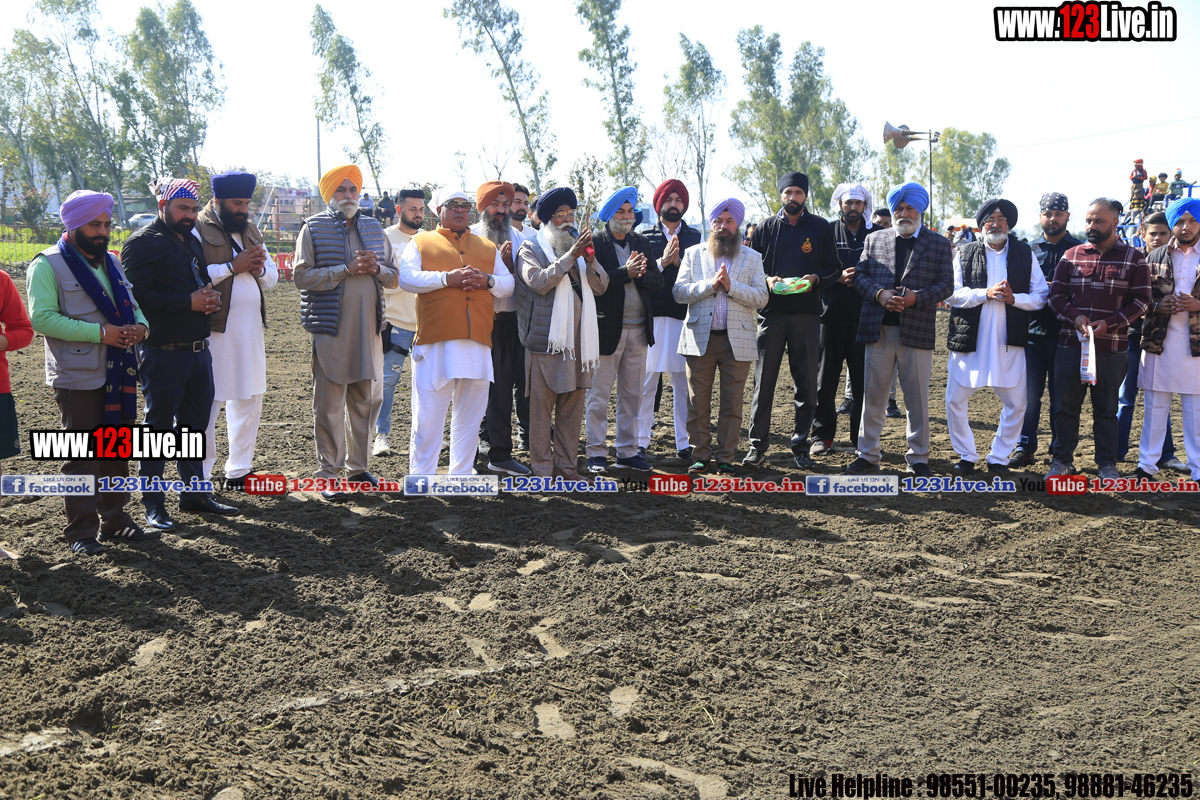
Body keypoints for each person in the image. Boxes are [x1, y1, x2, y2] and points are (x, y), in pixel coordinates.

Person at [27, 191, 148, 554]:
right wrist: (100, 333)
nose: (103, 231)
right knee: (81, 455)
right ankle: (80, 532)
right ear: (74, 224)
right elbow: (41, 318)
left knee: (116, 451)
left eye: (107, 224)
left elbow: (134, 306)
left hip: (119, 370)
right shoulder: (46, 264)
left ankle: (115, 520)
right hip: (76, 375)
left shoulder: (113, 262)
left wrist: (141, 328)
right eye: (95, 224)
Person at [294, 164, 399, 500]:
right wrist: (345, 270)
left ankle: (358, 468)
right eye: (341, 190)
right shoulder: (312, 228)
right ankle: (328, 474)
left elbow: (394, 276)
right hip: (331, 331)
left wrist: (376, 268)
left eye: (353, 189)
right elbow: (301, 276)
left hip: (370, 331)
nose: (348, 196)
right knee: (328, 405)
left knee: (367, 401)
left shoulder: (374, 227)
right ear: (329, 194)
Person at [399, 187, 513, 477]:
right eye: (453, 205)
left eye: (465, 205)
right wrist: (445, 279)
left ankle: (461, 475)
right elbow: (406, 278)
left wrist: (488, 281)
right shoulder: (420, 242)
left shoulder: (486, 246)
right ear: (439, 210)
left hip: (478, 344)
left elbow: (508, 285)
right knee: (428, 418)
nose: (461, 210)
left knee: (470, 419)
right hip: (436, 344)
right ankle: (421, 477)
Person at [846, 182, 954, 477]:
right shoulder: (875, 239)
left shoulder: (938, 243)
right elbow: (860, 277)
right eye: (899, 208)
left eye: (910, 208)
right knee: (873, 397)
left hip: (916, 330)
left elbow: (946, 285)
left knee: (916, 400)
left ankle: (918, 457)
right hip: (878, 329)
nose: (904, 213)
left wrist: (916, 298)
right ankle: (868, 454)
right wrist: (880, 294)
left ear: (920, 211)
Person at [1045, 198, 1152, 480]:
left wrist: (1110, 324)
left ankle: (1107, 465)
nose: (1092, 226)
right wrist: (1075, 318)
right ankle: (1062, 461)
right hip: (1070, 346)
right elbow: (1055, 297)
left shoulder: (1134, 258)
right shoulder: (1071, 255)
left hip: (1112, 350)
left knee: (1106, 411)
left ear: (1115, 223)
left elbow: (1142, 301)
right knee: (1065, 408)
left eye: (1099, 221)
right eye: (1089, 220)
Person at [744, 171, 841, 469]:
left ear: (805, 195)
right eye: (788, 192)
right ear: (781, 195)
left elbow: (834, 268)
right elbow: (750, 268)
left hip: (807, 316)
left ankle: (800, 447)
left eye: (798, 192)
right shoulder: (764, 228)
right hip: (771, 316)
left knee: (806, 386)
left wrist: (815, 278)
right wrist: (767, 280)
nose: (793, 198)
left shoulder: (820, 227)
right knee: (763, 384)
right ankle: (757, 446)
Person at [945, 199, 1049, 476]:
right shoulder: (965, 252)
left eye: (1001, 219)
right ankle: (967, 455)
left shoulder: (1024, 253)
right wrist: (985, 294)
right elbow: (951, 293)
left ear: (1009, 224)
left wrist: (1015, 299)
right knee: (955, 400)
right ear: (981, 225)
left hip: (1008, 340)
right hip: (970, 339)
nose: (995, 224)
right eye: (990, 219)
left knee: (1017, 403)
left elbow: (1041, 296)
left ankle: (999, 458)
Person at [515, 187, 609, 480]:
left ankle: (567, 469)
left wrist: (589, 259)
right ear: (547, 220)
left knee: (571, 410)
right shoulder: (530, 248)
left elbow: (602, 286)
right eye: (561, 215)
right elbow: (539, 282)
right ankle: (543, 470)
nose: (568, 220)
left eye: (571, 214)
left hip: (579, 344)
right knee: (541, 412)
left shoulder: (579, 253)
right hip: (546, 343)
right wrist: (571, 255)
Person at [194, 171, 278, 491]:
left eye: (246, 203)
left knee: (249, 397)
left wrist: (257, 268)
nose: (242, 209)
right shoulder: (197, 227)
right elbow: (190, 276)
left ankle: (239, 470)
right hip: (214, 331)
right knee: (207, 402)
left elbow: (272, 279)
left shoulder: (251, 229)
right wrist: (232, 267)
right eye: (236, 203)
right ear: (218, 201)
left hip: (250, 329)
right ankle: (200, 476)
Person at [674, 198, 769, 474]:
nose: (723, 226)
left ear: (737, 224)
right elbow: (679, 292)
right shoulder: (693, 254)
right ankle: (700, 455)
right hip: (699, 339)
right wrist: (710, 285)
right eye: (718, 220)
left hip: (736, 341)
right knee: (697, 401)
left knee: (732, 403)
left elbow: (762, 298)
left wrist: (731, 286)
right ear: (711, 223)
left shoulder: (753, 257)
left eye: (729, 221)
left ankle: (726, 457)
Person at [585, 186, 660, 474]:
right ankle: (596, 452)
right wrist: (624, 273)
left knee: (632, 396)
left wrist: (639, 275)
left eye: (630, 211)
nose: (627, 216)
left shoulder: (641, 242)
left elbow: (657, 282)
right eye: (621, 212)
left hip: (639, 330)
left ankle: (627, 452)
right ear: (609, 216)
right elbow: (594, 284)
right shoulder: (595, 242)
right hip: (606, 331)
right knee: (599, 395)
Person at [1010, 193, 1082, 469]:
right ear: (1040, 216)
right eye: (1048, 214)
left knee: (1061, 398)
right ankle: (1024, 447)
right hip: (1032, 334)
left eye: (1058, 214)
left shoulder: (1079, 250)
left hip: (1067, 335)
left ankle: (1058, 452)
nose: (1053, 219)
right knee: (1028, 396)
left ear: (1067, 216)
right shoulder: (1026, 250)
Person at [1135, 198, 1200, 482]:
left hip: (1195, 346)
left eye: (1193, 220)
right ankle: (1146, 466)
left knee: (1195, 412)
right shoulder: (1154, 256)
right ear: (1172, 224)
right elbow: (1136, 298)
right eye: (1180, 221)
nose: (1186, 227)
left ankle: (1198, 469)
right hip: (1158, 341)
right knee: (1155, 407)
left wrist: (1198, 305)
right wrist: (1156, 306)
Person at [637, 179, 701, 464]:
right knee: (646, 383)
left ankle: (684, 443)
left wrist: (679, 263)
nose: (674, 204)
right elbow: (641, 274)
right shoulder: (644, 235)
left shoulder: (695, 236)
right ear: (659, 204)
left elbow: (699, 273)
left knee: (682, 384)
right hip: (651, 317)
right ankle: (640, 441)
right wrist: (663, 262)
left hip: (683, 317)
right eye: (669, 199)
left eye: (678, 200)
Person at [471, 180, 531, 477]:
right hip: (475, 325)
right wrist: (496, 271)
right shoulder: (470, 237)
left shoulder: (518, 237)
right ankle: (466, 458)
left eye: (505, 204)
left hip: (508, 325)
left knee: (503, 393)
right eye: (494, 204)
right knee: (470, 392)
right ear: (482, 207)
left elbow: (528, 282)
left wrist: (508, 271)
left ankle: (500, 455)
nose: (501, 210)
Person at [810, 183, 874, 457]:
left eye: (858, 203)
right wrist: (836, 277)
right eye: (848, 203)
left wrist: (861, 278)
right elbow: (814, 267)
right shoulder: (826, 231)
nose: (853, 207)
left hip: (865, 319)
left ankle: (861, 440)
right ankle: (821, 437)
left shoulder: (875, 234)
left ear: (864, 206)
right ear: (840, 204)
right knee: (824, 383)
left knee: (863, 385)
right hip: (830, 318)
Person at [1116, 212, 1183, 469]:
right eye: (1152, 233)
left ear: (1171, 234)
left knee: (1160, 397)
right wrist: (1155, 306)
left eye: (1163, 233)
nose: (1157, 238)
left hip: (1163, 338)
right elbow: (1123, 300)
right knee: (1126, 398)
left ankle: (1165, 455)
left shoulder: (1180, 261)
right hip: (1132, 336)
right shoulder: (1132, 260)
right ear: (1141, 234)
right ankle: (1116, 453)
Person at [374, 188, 425, 456]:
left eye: (421, 209)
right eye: (412, 209)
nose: (418, 214)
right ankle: (381, 435)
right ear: (399, 210)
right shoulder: (384, 238)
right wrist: (407, 281)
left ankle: (425, 437)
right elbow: (379, 281)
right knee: (387, 382)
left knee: (427, 385)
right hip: (396, 323)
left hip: (427, 325)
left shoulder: (428, 239)